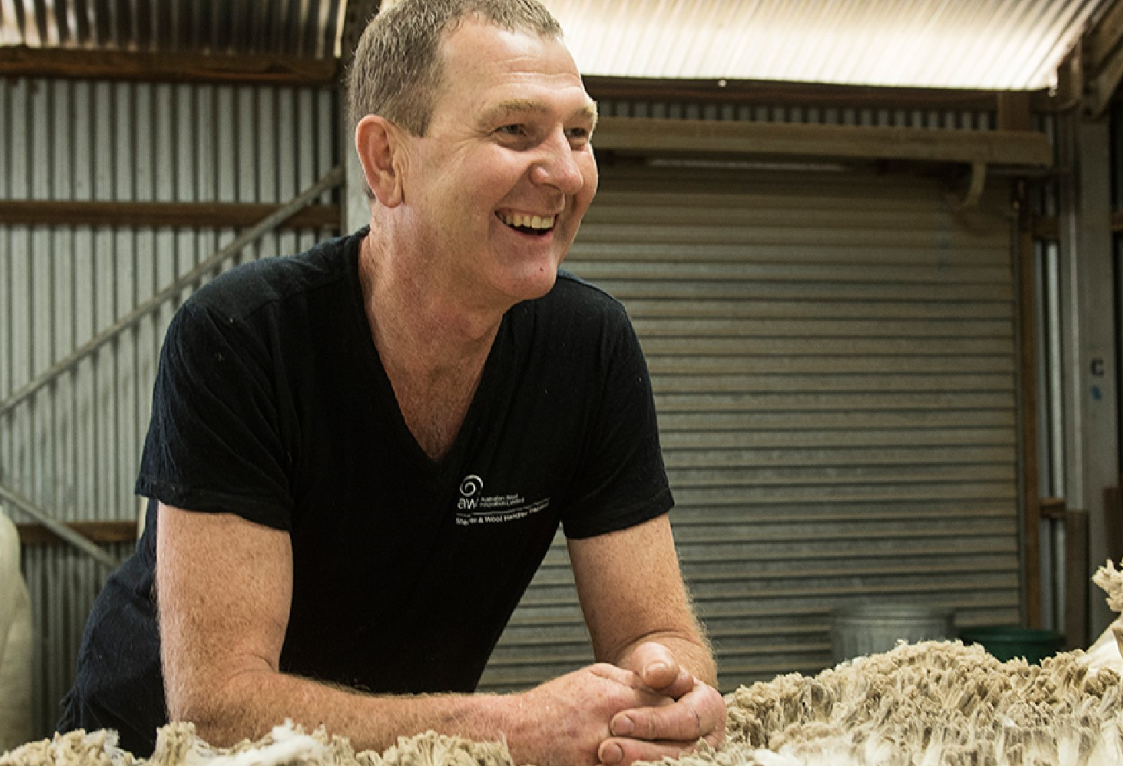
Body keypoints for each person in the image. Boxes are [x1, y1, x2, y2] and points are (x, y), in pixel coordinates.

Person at [59, 1, 726, 764]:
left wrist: (665, 691)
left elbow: (658, 635)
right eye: (514, 130)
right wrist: (515, 729)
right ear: (385, 162)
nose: (566, 172)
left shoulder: (590, 348)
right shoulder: (245, 337)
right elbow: (219, 709)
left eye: (578, 133)